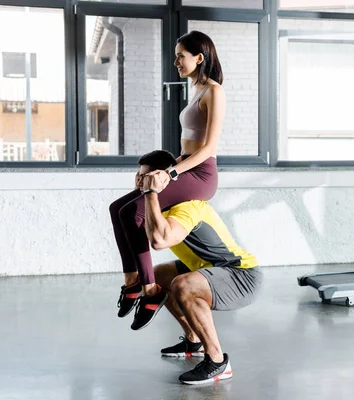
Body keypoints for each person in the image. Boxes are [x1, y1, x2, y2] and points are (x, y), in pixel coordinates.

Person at [109, 30, 226, 329]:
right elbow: (187, 146)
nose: (175, 61)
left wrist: (171, 173)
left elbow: (209, 148)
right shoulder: (195, 90)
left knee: (135, 212)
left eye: (180, 56)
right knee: (118, 209)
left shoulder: (214, 91)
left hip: (201, 175)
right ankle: (133, 283)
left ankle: (150, 291)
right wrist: (156, 171)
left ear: (199, 57)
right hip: (184, 166)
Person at [136, 150, 262, 384]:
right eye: (139, 176)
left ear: (162, 178)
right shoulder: (162, 206)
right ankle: (193, 341)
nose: (140, 181)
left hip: (241, 275)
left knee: (183, 285)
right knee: (159, 276)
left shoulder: (187, 206)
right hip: (211, 268)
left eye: (145, 177)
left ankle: (217, 361)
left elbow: (159, 240)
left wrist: (150, 192)